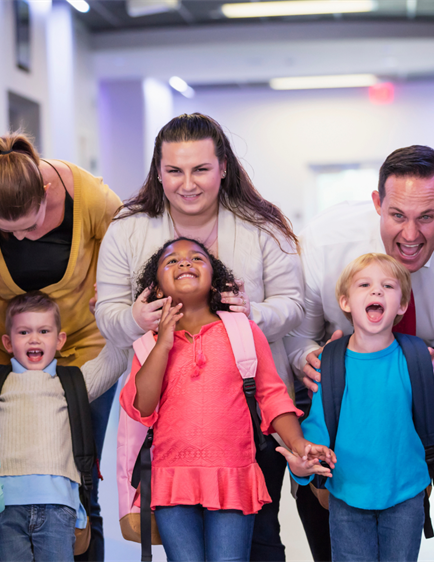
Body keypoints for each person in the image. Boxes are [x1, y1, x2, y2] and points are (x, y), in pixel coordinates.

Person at [96, 114, 304, 561]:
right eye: (174, 170)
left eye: (201, 169)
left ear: (223, 167)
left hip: (247, 423)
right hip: (172, 439)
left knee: (262, 541)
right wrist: (135, 319)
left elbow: (294, 304)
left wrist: (252, 314)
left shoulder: (262, 225)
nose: (187, 184)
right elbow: (107, 316)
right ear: (158, 172)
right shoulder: (127, 228)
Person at [285, 145, 434, 562]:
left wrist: (426, 371)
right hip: (338, 379)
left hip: (425, 380)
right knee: (321, 504)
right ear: (377, 204)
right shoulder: (324, 244)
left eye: (427, 217)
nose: (411, 235)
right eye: (397, 215)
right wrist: (313, 362)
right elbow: (298, 337)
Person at [0, 134, 122, 561]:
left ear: (46, 190)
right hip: (1, 346)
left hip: (82, 342)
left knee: (83, 486)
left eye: (30, 226)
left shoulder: (88, 196)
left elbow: (128, 238)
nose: (23, 238)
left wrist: (114, 289)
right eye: (8, 231)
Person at [121, 238, 332, 562]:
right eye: (171, 261)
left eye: (197, 258)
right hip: (171, 478)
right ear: (158, 288)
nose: (184, 262)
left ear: (214, 279)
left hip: (233, 475)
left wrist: (299, 444)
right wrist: (163, 343)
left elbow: (272, 396)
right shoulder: (148, 344)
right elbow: (142, 407)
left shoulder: (243, 331)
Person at [0, 292, 126, 562]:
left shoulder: (75, 382)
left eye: (44, 331)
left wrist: (104, 318)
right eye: (24, 332)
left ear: (60, 340)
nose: (34, 339)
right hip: (5, 507)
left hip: (59, 507)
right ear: (8, 342)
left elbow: (117, 357)